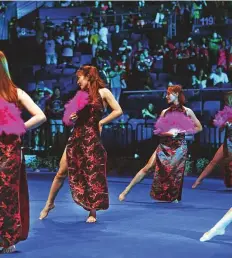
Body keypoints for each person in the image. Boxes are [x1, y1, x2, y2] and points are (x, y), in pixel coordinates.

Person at [39, 65, 122, 223]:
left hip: (92, 138)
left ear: (89, 77)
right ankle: (49, 204)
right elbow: (71, 117)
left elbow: (118, 110)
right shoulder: (80, 95)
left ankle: (92, 212)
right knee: (61, 172)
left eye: (80, 78)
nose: (78, 81)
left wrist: (101, 122)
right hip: (76, 136)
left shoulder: (103, 92)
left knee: (92, 173)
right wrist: (73, 117)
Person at [119, 85, 202, 202]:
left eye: (169, 94)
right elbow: (159, 131)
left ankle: (174, 197)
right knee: (147, 168)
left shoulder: (187, 111)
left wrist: (182, 131)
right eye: (166, 94)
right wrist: (168, 133)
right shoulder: (165, 112)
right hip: (164, 145)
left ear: (177, 94)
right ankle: (126, 190)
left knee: (175, 173)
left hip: (179, 146)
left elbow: (199, 128)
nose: (166, 96)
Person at [0, 51, 46, 254]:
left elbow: (40, 116)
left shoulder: (15, 93)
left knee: (7, 194)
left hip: (9, 151)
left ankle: (8, 238)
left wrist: (19, 127)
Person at [192, 91, 232, 189]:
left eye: (229, 100)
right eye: (227, 100)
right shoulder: (227, 113)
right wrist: (224, 124)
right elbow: (221, 129)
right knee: (214, 161)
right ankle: (198, 180)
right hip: (229, 142)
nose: (227, 102)